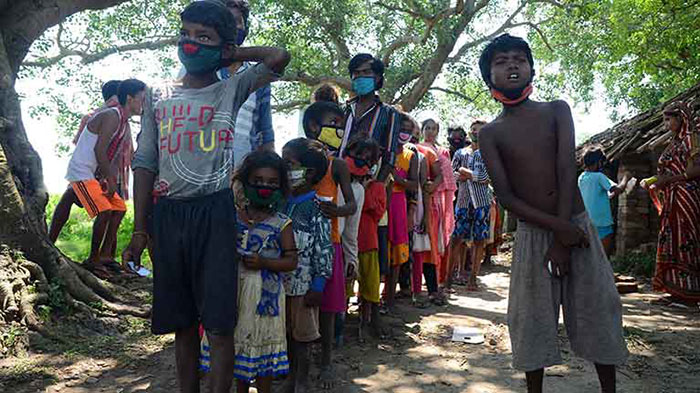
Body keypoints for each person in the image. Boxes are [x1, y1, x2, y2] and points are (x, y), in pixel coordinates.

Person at [122, 2, 290, 392]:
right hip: (168, 217)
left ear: (223, 47)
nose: (191, 44)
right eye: (186, 34)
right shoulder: (157, 95)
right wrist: (139, 230)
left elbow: (279, 58)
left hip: (215, 214)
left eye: (204, 38)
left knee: (218, 323)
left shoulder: (231, 87)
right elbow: (145, 162)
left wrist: (233, 51)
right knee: (181, 323)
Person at [477, 33, 628, 393]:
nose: (512, 64)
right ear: (488, 78)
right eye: (501, 61)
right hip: (535, 234)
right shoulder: (492, 133)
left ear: (531, 68)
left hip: (576, 229)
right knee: (531, 319)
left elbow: (565, 170)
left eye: (519, 58)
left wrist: (564, 232)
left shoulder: (556, 110)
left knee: (598, 310)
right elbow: (507, 197)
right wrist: (557, 230)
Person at [65, 79, 145, 279]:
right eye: (142, 99)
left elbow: (112, 154)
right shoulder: (112, 116)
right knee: (105, 209)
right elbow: (99, 149)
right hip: (81, 172)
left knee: (119, 208)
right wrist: (109, 177)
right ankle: (93, 259)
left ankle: (105, 256)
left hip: (95, 174)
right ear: (130, 98)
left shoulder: (123, 121)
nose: (144, 103)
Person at [301, 100, 357, 388]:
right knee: (299, 305)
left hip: (328, 244)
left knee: (327, 307)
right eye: (332, 123)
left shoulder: (338, 166)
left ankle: (325, 361)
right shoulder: (295, 156)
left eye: (339, 125)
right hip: (298, 245)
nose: (337, 129)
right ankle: (299, 364)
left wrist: (336, 212)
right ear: (313, 126)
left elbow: (351, 205)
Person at [233, 151, 297, 393]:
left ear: (281, 187)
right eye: (258, 181)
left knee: (264, 356)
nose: (264, 187)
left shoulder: (282, 223)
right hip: (235, 294)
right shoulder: (233, 217)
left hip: (267, 300)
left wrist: (264, 263)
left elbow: (291, 261)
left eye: (272, 183)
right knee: (238, 350)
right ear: (246, 182)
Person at [280, 138, 334, 393]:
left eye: (288, 163)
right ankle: (291, 377)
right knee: (287, 334)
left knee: (303, 337)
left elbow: (324, 248)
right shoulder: (279, 203)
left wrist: (319, 284)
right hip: (279, 285)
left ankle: (301, 380)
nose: (283, 167)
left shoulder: (317, 208)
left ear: (308, 173)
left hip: (303, 286)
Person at [641, 101, 700, 304]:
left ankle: (689, 294)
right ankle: (675, 291)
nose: (666, 124)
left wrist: (669, 180)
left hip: (686, 196)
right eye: (664, 120)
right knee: (671, 240)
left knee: (685, 240)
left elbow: (696, 170)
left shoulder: (691, 139)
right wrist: (656, 182)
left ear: (680, 118)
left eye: (669, 119)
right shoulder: (674, 142)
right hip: (672, 197)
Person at [50, 80, 121, 244]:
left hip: (104, 170)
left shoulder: (104, 116)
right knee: (74, 197)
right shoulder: (101, 116)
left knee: (111, 211)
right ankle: (97, 255)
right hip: (91, 169)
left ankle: (103, 255)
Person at [339, 53, 401, 183]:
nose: (360, 76)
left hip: (365, 183)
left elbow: (390, 157)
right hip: (335, 179)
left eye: (366, 72)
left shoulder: (390, 113)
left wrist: (377, 185)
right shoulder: (343, 110)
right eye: (356, 73)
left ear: (377, 78)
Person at [453, 122, 492, 291]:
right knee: (459, 239)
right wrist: (466, 175)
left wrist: (466, 173)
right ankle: (458, 272)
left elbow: (487, 178)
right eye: (474, 129)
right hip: (462, 201)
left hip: (482, 202)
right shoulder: (461, 153)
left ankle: (473, 278)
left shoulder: (490, 153)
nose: (476, 132)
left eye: (481, 130)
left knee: (478, 240)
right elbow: (453, 174)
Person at [385, 118, 419, 309]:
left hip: (399, 204)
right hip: (381, 202)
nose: (404, 133)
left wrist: (398, 179)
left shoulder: (410, 155)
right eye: (401, 129)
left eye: (408, 130)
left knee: (397, 253)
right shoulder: (383, 151)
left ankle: (389, 298)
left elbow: (414, 184)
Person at [355, 140, 386, 339]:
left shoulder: (378, 187)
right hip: (349, 242)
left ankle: (371, 321)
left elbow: (376, 211)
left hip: (368, 241)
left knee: (371, 285)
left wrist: (364, 190)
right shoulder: (348, 182)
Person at [578, 145, 630, 257]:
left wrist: (610, 195)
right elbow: (618, 189)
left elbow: (595, 196)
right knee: (603, 257)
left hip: (587, 223)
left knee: (590, 256)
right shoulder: (599, 177)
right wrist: (626, 178)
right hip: (602, 223)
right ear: (598, 162)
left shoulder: (582, 177)